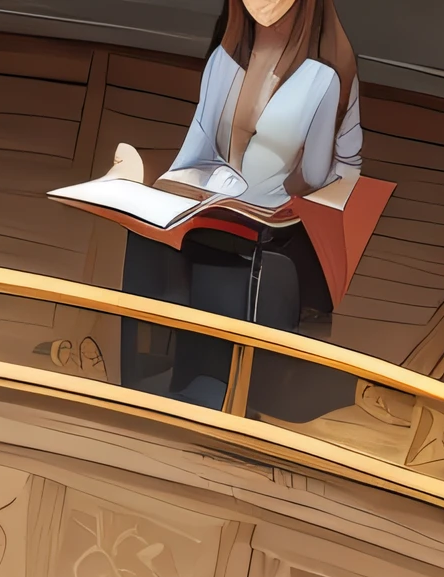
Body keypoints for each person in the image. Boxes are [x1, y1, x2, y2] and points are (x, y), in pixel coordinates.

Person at [111, 0, 361, 426]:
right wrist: (149, 181)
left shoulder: (322, 79)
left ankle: (213, 391)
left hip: (268, 226)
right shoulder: (223, 62)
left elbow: (319, 175)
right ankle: (151, 384)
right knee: (151, 233)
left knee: (227, 258)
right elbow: (197, 150)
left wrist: (280, 188)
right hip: (213, 206)